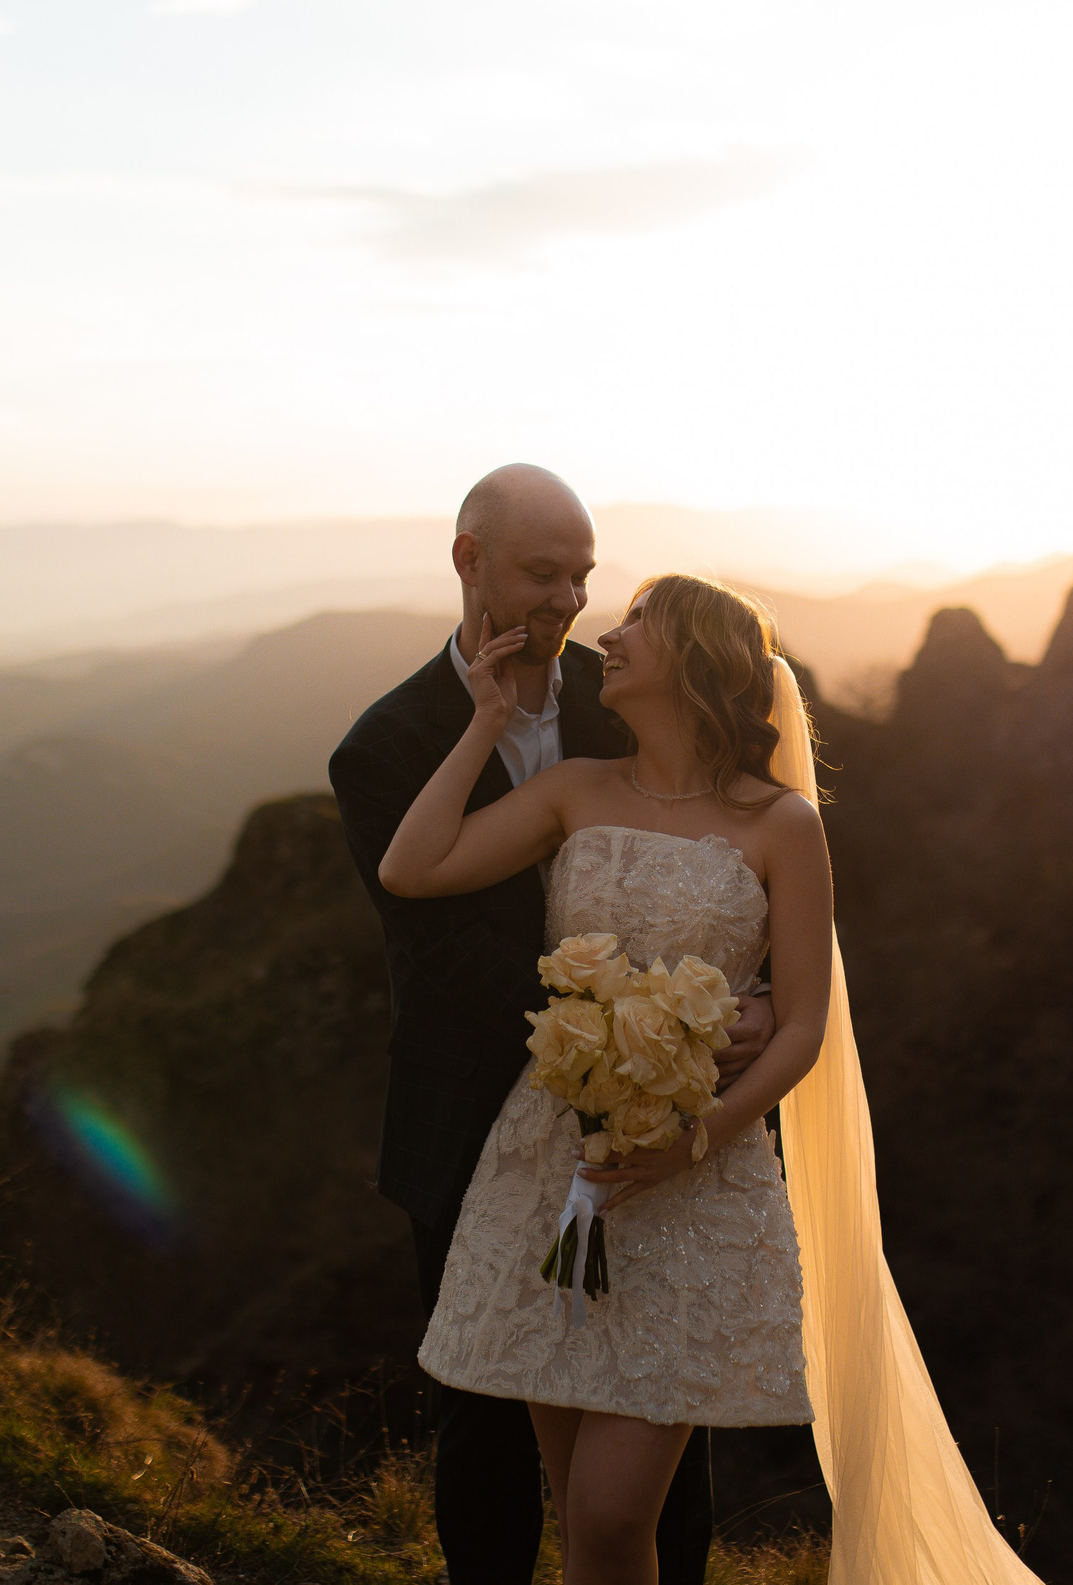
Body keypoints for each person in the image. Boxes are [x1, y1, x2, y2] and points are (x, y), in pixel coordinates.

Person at [329, 466, 773, 1585]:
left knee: (655, 1416)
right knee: (484, 1422)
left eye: (582, 574)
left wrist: (736, 1006)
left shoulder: (621, 688)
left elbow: (731, 861)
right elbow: (441, 944)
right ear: (468, 561)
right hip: (473, 1122)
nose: (570, 600)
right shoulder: (384, 745)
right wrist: (624, 1039)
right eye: (541, 573)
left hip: (650, 1132)